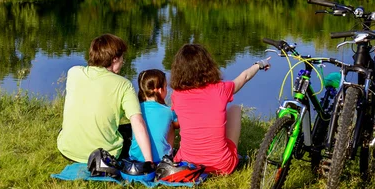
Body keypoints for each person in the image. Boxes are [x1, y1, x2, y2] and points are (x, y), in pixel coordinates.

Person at [170, 44, 269, 175]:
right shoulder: (221, 89)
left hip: (187, 164)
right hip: (222, 165)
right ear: (207, 65)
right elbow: (245, 77)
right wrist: (260, 64)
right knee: (235, 109)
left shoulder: (177, 95)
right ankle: (233, 155)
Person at [57, 33, 153, 164]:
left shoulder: (74, 72)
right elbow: (137, 122)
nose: (123, 61)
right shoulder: (124, 85)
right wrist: (149, 161)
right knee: (134, 130)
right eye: (122, 58)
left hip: (67, 151)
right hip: (105, 156)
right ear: (114, 59)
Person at [128, 69, 179, 162]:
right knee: (172, 125)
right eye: (166, 86)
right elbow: (178, 124)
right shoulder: (169, 111)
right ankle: (169, 155)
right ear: (160, 90)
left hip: (135, 159)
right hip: (160, 160)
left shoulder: (136, 109)